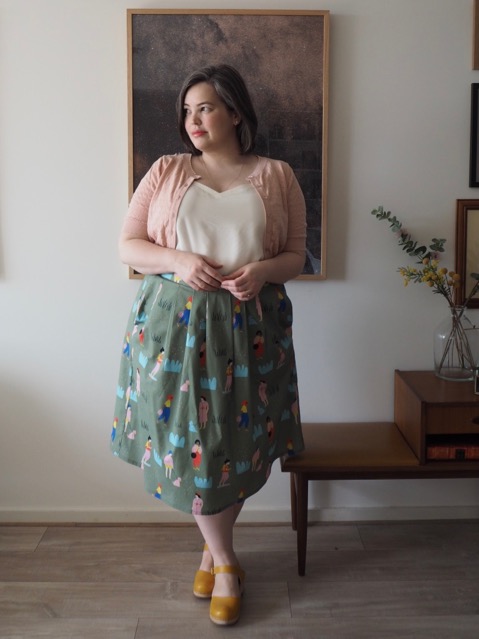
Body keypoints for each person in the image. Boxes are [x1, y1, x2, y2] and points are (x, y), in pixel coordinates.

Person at [111, 64, 306, 626]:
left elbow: (297, 254)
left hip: (251, 328)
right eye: (187, 110)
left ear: (236, 112)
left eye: (206, 108)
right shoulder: (167, 170)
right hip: (174, 330)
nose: (193, 120)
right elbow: (128, 246)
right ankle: (225, 562)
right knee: (189, 449)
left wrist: (266, 270)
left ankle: (211, 552)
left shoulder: (277, 174)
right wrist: (177, 259)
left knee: (235, 444)